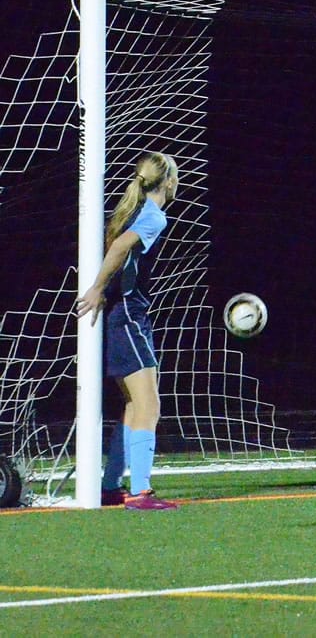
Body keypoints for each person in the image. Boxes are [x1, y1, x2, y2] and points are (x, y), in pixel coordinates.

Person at [75, 152, 180, 510]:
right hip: (131, 317)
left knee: (134, 405)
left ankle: (110, 485)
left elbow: (119, 249)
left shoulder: (133, 212)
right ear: (168, 182)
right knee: (149, 405)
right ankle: (141, 491)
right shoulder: (154, 217)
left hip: (123, 316)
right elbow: (120, 247)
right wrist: (98, 288)